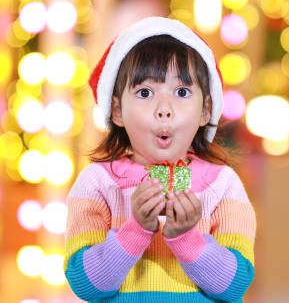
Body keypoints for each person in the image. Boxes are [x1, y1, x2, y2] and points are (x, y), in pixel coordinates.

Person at [64, 17, 256, 302]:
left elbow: (235, 286)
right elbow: (86, 285)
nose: (164, 109)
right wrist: (136, 228)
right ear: (116, 111)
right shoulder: (98, 184)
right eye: (144, 92)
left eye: (182, 92)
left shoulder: (223, 184)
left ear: (205, 110)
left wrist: (187, 237)